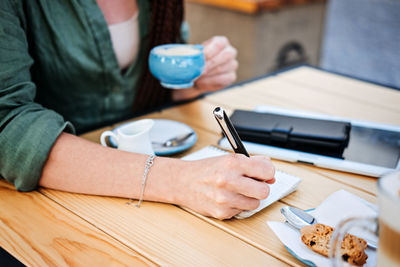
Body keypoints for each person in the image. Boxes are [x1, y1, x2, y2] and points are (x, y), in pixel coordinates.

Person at [0, 0, 275, 220]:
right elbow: (7, 123)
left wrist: (191, 83)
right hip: (40, 202)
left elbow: (152, 90)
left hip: (140, 192)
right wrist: (180, 180)